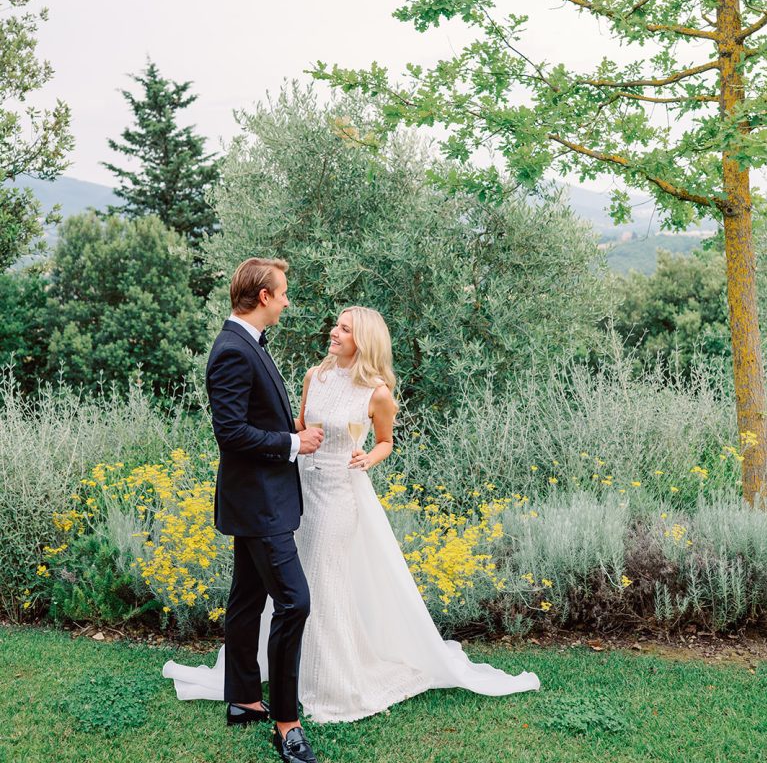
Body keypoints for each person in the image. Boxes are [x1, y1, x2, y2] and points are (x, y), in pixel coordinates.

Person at [164, 305, 539, 725]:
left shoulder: (377, 392)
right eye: (336, 325)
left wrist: (368, 459)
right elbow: (300, 425)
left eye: (344, 328)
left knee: (322, 584)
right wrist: (290, 440)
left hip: (338, 494)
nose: (334, 332)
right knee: (294, 583)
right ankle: (288, 672)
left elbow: (386, 440)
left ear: (363, 339)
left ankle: (330, 681)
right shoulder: (315, 376)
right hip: (296, 487)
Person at [201, 256, 323, 763]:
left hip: (256, 501)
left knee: (247, 599)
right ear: (264, 297)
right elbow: (229, 434)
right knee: (294, 603)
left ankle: (245, 698)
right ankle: (286, 726)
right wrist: (293, 443)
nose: (288, 301)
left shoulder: (247, 344)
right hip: (260, 504)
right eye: (284, 293)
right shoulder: (232, 351)